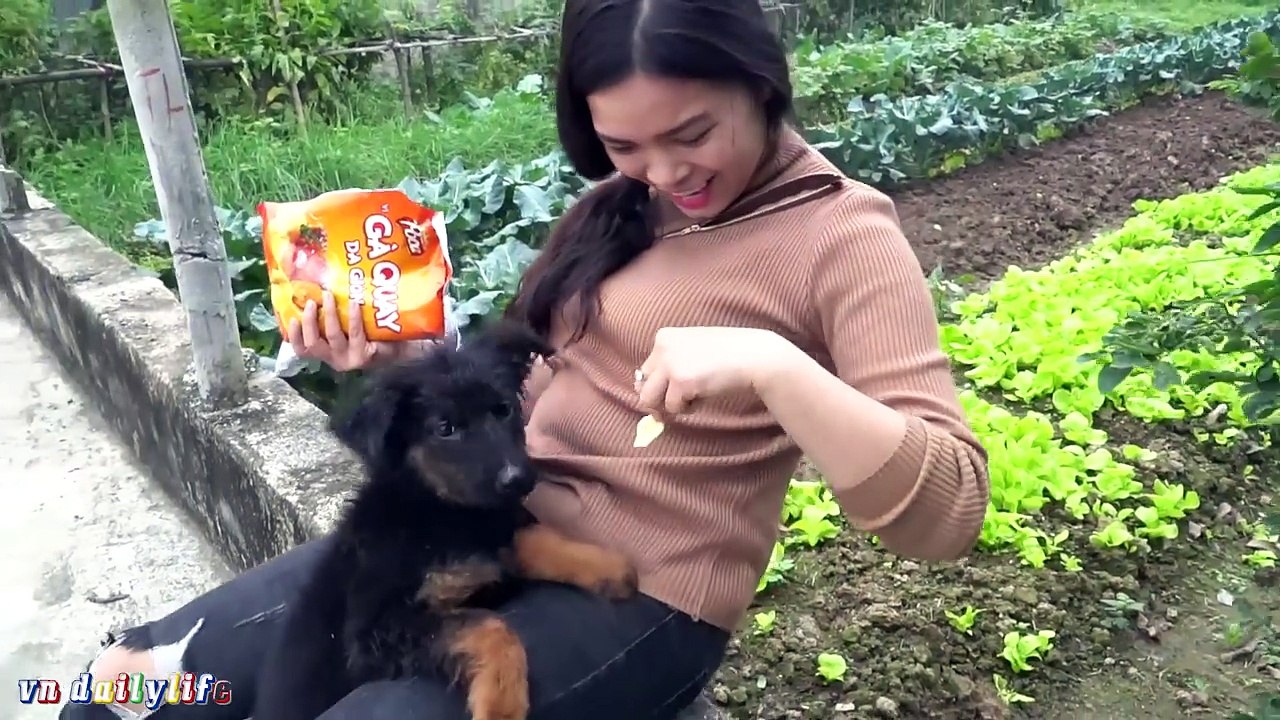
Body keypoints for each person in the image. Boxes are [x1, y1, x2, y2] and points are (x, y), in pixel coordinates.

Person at [61, 0, 991, 718]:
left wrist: (777, 369)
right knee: (130, 685)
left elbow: (949, 512)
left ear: (762, 81)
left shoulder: (843, 237)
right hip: (478, 531)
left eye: (693, 134)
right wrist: (406, 361)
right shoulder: (616, 209)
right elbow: (527, 382)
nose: (666, 174)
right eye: (624, 145)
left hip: (644, 594)